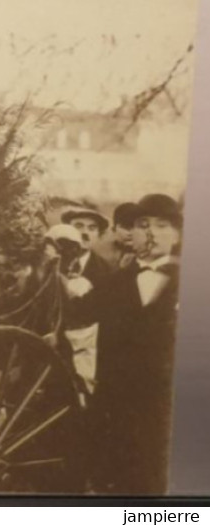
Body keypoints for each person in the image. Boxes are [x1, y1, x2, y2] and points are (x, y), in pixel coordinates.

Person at [85, 193, 181, 495]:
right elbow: (74, 317)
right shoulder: (113, 283)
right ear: (131, 234)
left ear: (177, 233)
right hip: (116, 408)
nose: (151, 233)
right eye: (142, 225)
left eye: (162, 225)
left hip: (166, 412)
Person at [55, 203, 116, 397]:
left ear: (99, 235)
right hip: (51, 343)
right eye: (79, 226)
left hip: (87, 347)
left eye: (92, 228)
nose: (85, 233)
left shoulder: (106, 271)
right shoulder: (53, 264)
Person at [109, 202, 141, 270]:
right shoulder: (103, 257)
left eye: (136, 228)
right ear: (114, 229)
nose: (131, 233)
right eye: (126, 227)